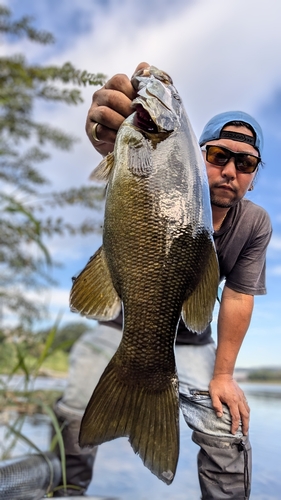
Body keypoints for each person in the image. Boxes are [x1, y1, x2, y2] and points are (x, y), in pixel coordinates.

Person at [52, 63, 272, 499]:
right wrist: (111, 138)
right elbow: (123, 150)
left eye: (245, 163)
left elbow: (238, 296)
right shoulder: (151, 156)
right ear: (195, 152)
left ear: (253, 175)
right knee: (74, 410)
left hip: (193, 337)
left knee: (226, 430)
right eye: (217, 156)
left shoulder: (255, 223)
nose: (230, 170)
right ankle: (66, 489)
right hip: (118, 323)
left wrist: (224, 374)